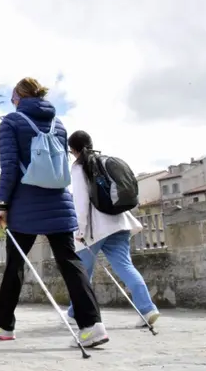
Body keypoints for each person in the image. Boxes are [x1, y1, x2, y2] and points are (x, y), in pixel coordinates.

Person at [0, 77, 108, 348]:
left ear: (19, 97)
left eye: (12, 97)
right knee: (70, 262)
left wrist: (2, 205)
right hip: (58, 202)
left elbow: (9, 167)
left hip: (25, 204)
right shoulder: (59, 124)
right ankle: (93, 326)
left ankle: (4, 326)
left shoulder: (11, 122)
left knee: (15, 265)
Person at [66, 130, 161, 327]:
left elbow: (81, 202)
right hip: (120, 222)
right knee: (125, 267)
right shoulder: (104, 161)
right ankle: (148, 309)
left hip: (95, 229)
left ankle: (76, 313)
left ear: (73, 150)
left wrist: (80, 231)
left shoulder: (80, 167)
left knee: (81, 273)